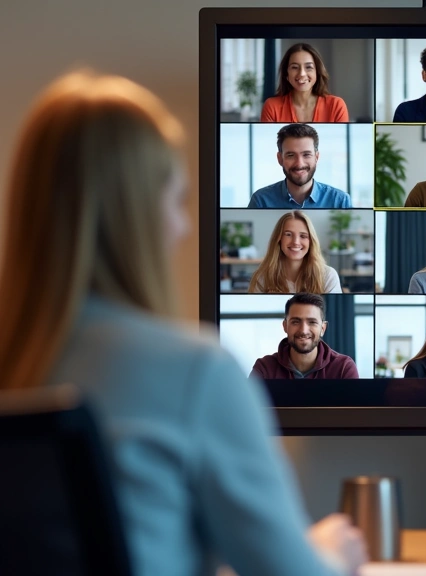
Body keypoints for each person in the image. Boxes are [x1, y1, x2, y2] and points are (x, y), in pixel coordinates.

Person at [0, 72, 365, 574]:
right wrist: (328, 549)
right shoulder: (195, 370)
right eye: (176, 201)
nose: (185, 226)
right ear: (137, 217)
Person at [250, 293, 358, 379]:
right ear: (285, 326)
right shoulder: (264, 368)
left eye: (312, 322)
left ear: (323, 328)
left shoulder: (344, 367)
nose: (303, 330)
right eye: (296, 322)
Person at [248, 123, 352, 209]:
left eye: (306, 155)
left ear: (316, 157)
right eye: (290, 155)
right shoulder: (261, 201)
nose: (299, 164)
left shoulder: (340, 201)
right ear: (280, 159)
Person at [248, 210, 342, 293]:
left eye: (303, 236)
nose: (296, 242)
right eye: (288, 234)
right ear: (279, 239)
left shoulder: (328, 276)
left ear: (311, 241)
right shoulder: (262, 277)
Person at [260, 43, 350, 123]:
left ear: (317, 72)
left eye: (308, 67)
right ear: (286, 73)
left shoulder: (336, 105)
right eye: (295, 67)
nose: (302, 73)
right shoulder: (271, 106)